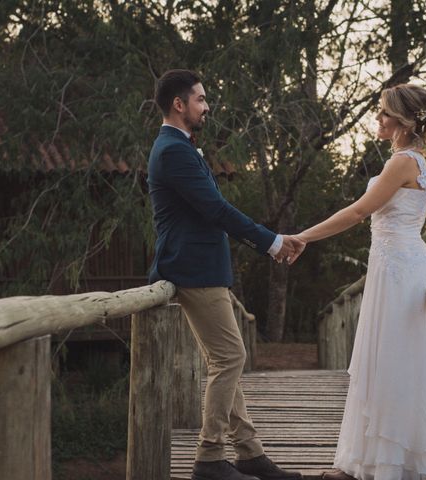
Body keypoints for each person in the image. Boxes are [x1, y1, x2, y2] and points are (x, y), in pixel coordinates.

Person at [147, 69, 304, 480]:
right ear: (179, 105)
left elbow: (212, 208)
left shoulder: (180, 147)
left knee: (224, 359)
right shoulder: (174, 151)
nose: (206, 106)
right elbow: (215, 210)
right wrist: (271, 241)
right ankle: (210, 457)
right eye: (200, 99)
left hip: (200, 267)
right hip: (192, 268)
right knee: (231, 357)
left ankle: (250, 453)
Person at [292, 84, 426, 480]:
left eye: (384, 113)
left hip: (400, 272)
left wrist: (303, 236)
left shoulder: (404, 162)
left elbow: (358, 212)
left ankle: (393, 466)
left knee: (394, 364)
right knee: (383, 364)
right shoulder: (412, 160)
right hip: (393, 267)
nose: (378, 119)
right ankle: (367, 461)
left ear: (404, 121)